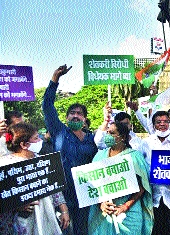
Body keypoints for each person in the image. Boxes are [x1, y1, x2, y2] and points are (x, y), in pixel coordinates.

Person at [42, 65, 98, 235]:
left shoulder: (92, 139)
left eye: (79, 113)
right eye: (72, 113)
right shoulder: (59, 132)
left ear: (84, 118)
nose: (75, 115)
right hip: (63, 194)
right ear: (66, 117)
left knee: (83, 231)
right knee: (64, 230)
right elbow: (47, 106)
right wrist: (55, 78)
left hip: (86, 193)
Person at [0, 122, 70, 234]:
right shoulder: (6, 166)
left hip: (47, 216)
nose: (40, 141)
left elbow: (56, 189)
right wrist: (17, 205)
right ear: (24, 144)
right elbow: (4, 197)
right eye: (36, 138)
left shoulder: (44, 160)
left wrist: (64, 211)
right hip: (22, 221)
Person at [88, 122, 153, 235]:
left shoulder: (134, 157)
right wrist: (101, 204)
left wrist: (125, 206)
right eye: (107, 132)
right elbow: (92, 185)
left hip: (129, 212)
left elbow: (143, 187)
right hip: (104, 212)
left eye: (112, 133)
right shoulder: (99, 156)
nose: (107, 135)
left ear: (122, 137)